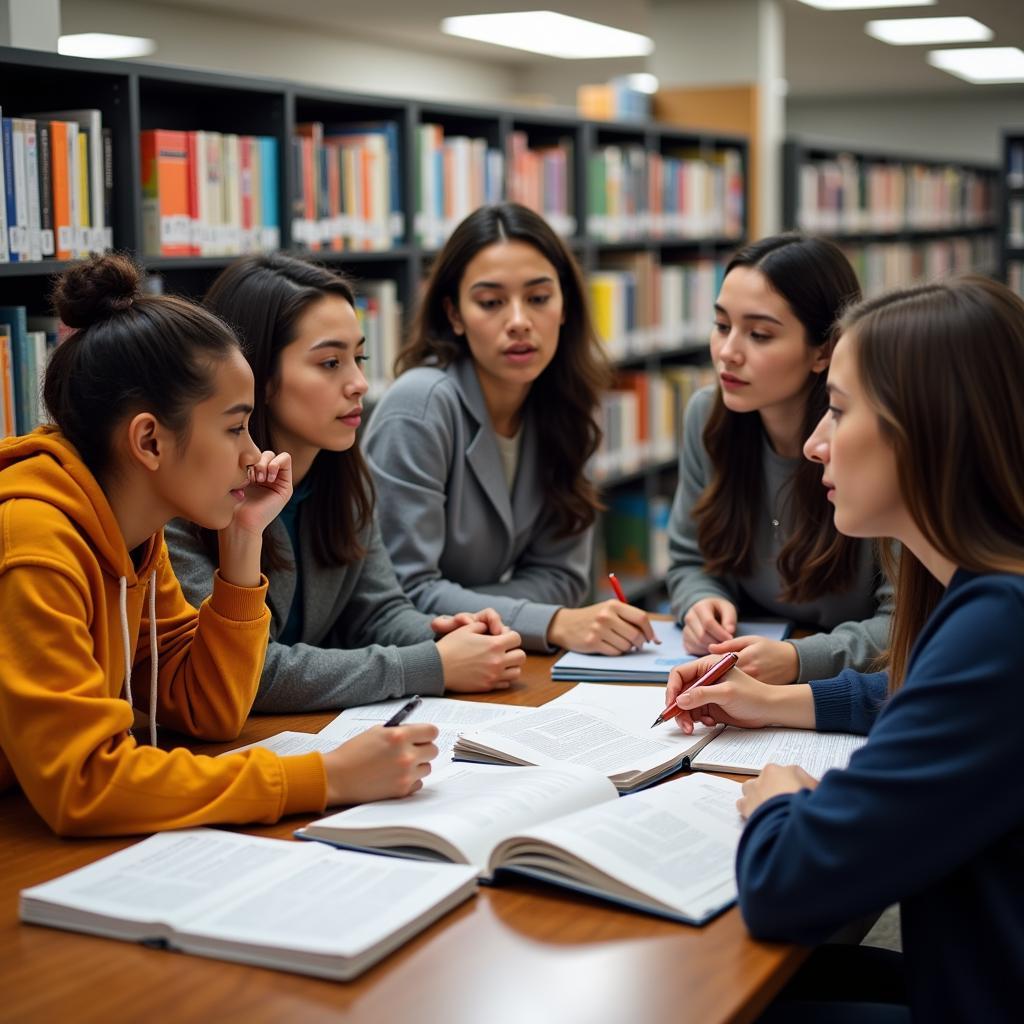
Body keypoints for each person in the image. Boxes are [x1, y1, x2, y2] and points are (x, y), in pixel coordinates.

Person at [666, 275, 1024, 1022]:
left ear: (928, 428)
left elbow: (784, 885)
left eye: (837, 409)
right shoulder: (990, 595)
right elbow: (915, 699)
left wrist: (783, 805)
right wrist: (773, 700)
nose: (812, 443)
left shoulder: (1001, 626)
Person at [0, 254, 437, 837]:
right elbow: (85, 784)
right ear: (150, 440)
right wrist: (321, 778)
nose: (255, 456)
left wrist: (241, 543)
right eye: (235, 428)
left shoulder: (135, 532)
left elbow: (208, 711)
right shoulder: (35, 542)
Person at [167, 253, 524, 710]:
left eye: (359, 357)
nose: (358, 383)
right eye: (331, 363)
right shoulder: (185, 504)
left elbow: (377, 610)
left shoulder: (343, 479)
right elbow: (248, 671)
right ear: (256, 376)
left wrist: (451, 635)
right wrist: (428, 664)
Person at [364, 202, 654, 654]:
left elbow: (564, 578)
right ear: (455, 314)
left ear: (564, 308)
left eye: (538, 298)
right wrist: (552, 622)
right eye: (491, 302)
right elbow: (403, 594)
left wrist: (479, 605)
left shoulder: (565, 403)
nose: (519, 321)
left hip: (494, 654)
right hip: (420, 663)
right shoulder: (418, 406)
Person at [666, 233, 892, 684]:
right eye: (721, 325)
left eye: (759, 334)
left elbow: (907, 618)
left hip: (840, 687)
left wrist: (797, 658)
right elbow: (689, 560)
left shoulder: (877, 441)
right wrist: (700, 601)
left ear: (823, 352)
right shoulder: (707, 419)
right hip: (740, 674)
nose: (728, 352)